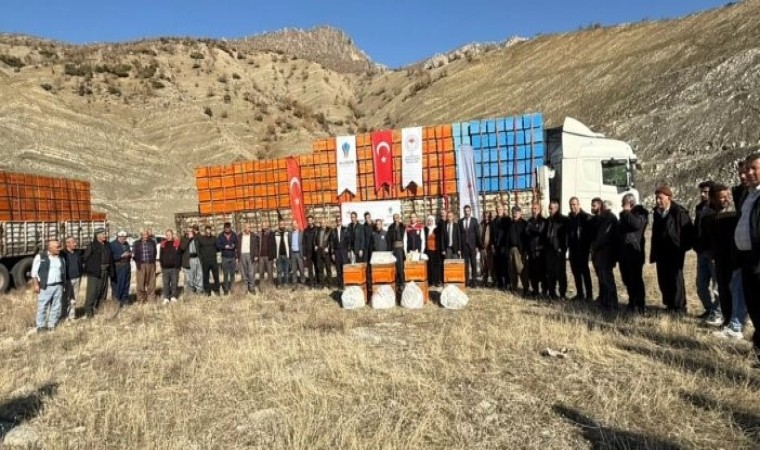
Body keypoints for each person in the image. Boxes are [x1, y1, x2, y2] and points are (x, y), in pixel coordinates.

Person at [716, 162, 749, 340]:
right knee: (735, 286)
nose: (743, 176)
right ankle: (736, 324)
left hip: (751, 252)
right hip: (739, 251)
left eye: (747, 171)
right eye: (740, 173)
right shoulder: (740, 194)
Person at [650, 186, 694, 313]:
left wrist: (681, 248)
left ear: (669, 198)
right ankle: (669, 305)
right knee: (663, 279)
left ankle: (679, 308)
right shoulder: (657, 213)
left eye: (660, 198)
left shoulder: (679, 212)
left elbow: (688, 232)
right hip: (661, 252)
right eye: (656, 198)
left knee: (675, 279)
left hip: (675, 251)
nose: (658, 201)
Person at [735, 153, 760, 366]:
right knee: (754, 308)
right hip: (748, 259)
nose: (749, 173)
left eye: (754, 168)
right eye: (747, 169)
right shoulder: (749, 195)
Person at [704, 183, 735, 329]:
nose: (725, 199)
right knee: (722, 289)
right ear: (714, 199)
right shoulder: (709, 216)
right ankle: (727, 319)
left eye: (727, 196)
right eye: (721, 197)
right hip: (719, 258)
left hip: (734, 257)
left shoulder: (734, 212)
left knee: (734, 289)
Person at [694, 180, 721, 321]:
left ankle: (718, 313)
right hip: (701, 252)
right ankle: (710, 310)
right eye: (701, 192)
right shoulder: (699, 208)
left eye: (706, 192)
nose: (703, 195)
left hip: (713, 252)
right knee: (700, 286)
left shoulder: (718, 207)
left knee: (717, 286)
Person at [618, 194, 648, 313]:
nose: (622, 206)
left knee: (636, 279)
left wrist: (626, 212)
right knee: (627, 279)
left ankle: (640, 305)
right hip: (624, 252)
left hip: (635, 251)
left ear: (630, 203)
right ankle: (632, 302)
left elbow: (636, 225)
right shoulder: (625, 215)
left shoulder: (641, 213)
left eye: (623, 203)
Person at [32, 239, 66, 332]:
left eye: (59, 247)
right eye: (57, 247)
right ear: (50, 248)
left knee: (56, 306)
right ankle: (41, 326)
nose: (59, 249)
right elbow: (34, 273)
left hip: (58, 285)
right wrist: (36, 285)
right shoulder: (40, 257)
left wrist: (63, 284)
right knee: (42, 306)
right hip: (45, 286)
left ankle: (52, 325)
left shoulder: (61, 258)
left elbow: (63, 272)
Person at [592, 200, 620, 310]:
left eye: (602, 207)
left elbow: (604, 237)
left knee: (608, 280)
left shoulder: (610, 219)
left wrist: (596, 246)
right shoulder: (604, 219)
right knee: (603, 280)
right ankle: (605, 302)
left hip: (607, 254)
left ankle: (612, 304)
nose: (601, 209)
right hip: (602, 254)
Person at [567, 197, 593, 301]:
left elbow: (590, 235)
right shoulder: (570, 218)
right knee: (576, 273)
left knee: (585, 272)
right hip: (573, 249)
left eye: (574, 204)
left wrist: (589, 248)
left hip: (583, 249)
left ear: (579, 204)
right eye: (571, 205)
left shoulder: (585, 217)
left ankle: (589, 295)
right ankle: (580, 294)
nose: (572, 206)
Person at [83, 228, 113, 317]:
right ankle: (89, 311)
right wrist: (92, 269)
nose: (105, 235)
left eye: (105, 234)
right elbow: (85, 259)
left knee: (103, 291)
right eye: (103, 234)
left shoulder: (107, 245)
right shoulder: (92, 246)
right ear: (97, 235)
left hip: (105, 271)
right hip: (95, 273)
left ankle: (99, 309)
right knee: (92, 292)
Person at [545, 199, 568, 300]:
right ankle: (552, 293)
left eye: (552, 209)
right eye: (549, 208)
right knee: (550, 272)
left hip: (558, 250)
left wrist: (562, 248)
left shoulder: (563, 220)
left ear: (557, 209)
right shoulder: (547, 220)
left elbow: (565, 237)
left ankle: (562, 294)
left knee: (560, 273)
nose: (550, 210)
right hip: (549, 250)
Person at [524, 202, 547, 298]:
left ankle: (544, 291)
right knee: (532, 272)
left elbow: (539, 231)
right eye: (533, 208)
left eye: (536, 208)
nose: (534, 210)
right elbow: (526, 233)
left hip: (540, 251)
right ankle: (535, 290)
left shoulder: (543, 221)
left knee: (542, 272)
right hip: (531, 250)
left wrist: (531, 229)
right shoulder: (529, 221)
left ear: (540, 209)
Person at [507, 206, 529, 296]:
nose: (514, 214)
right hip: (511, 250)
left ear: (520, 213)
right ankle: (514, 288)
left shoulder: (524, 224)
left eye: (516, 213)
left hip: (520, 251)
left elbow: (527, 239)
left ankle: (525, 288)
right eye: (513, 213)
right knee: (512, 270)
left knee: (521, 270)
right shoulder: (510, 224)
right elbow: (507, 238)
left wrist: (525, 251)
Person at [61, 236, 83, 321]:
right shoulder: (63, 254)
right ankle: (65, 316)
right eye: (74, 242)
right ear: (67, 244)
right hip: (67, 279)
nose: (76, 244)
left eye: (75, 242)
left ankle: (72, 316)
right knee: (66, 298)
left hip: (77, 278)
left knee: (74, 298)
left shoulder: (77, 252)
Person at [133, 230, 157, 303]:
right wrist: (138, 262)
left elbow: (155, 253)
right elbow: (134, 254)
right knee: (140, 282)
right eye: (143, 235)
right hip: (141, 264)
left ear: (148, 235)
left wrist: (153, 261)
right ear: (141, 235)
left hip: (151, 264)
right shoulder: (136, 243)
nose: (145, 236)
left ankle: (151, 298)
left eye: (146, 234)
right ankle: (141, 299)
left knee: (151, 282)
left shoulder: (152, 242)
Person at [109, 230, 132, 307]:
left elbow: (129, 251)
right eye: (122, 237)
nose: (123, 239)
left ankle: (125, 300)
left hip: (127, 266)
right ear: (118, 237)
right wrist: (121, 256)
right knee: (118, 285)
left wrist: (130, 254)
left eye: (125, 237)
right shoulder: (112, 244)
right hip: (118, 267)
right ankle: (117, 301)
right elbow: (110, 257)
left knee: (126, 284)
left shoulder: (126, 244)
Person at [459, 205, 480, 288]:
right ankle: (467, 281)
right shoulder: (460, 221)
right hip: (464, 246)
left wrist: (477, 246)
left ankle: (474, 282)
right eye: (465, 211)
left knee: (474, 264)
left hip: (473, 246)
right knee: (466, 265)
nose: (466, 212)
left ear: (470, 211)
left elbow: (477, 234)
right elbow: (459, 235)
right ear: (463, 211)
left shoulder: (474, 220)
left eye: (468, 211)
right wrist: (460, 248)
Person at [180, 225, 204, 296]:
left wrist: (196, 233)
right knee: (191, 275)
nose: (190, 232)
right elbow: (182, 248)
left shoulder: (196, 237)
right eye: (188, 231)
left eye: (191, 231)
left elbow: (201, 240)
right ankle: (191, 289)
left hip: (197, 258)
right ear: (186, 232)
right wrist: (189, 239)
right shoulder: (184, 238)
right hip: (190, 259)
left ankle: (199, 289)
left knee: (199, 274)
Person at [197, 225, 220, 296]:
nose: (208, 231)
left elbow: (218, 248)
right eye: (206, 230)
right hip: (205, 261)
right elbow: (198, 249)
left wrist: (213, 252)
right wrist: (201, 257)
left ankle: (216, 290)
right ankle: (207, 291)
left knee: (216, 276)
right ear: (205, 231)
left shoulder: (214, 238)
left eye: (209, 230)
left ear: (210, 230)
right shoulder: (201, 239)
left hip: (213, 260)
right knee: (206, 276)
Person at [236, 223, 260, 294]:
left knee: (251, 272)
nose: (249, 229)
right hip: (242, 255)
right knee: (243, 273)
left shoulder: (253, 236)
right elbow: (237, 247)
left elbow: (256, 246)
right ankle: (245, 288)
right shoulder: (239, 236)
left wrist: (256, 255)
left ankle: (252, 288)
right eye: (247, 227)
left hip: (250, 255)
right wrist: (237, 257)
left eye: (250, 227)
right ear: (244, 228)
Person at [159, 229, 181, 304]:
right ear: (166, 236)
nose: (168, 236)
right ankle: (166, 297)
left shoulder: (177, 243)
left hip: (174, 268)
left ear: (172, 235)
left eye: (170, 235)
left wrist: (178, 265)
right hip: (165, 268)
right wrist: (162, 265)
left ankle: (173, 297)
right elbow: (161, 255)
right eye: (167, 235)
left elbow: (179, 255)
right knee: (166, 283)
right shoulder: (163, 244)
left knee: (174, 282)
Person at [216, 222, 238, 295]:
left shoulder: (234, 235)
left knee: (232, 274)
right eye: (226, 228)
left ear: (230, 228)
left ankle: (232, 288)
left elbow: (237, 243)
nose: (228, 229)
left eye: (229, 228)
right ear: (224, 228)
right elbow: (218, 245)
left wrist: (234, 245)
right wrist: (224, 246)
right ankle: (226, 289)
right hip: (225, 257)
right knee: (225, 274)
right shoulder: (220, 236)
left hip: (232, 257)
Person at [492, 204, 511, 290]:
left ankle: (507, 283)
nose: (498, 210)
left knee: (505, 266)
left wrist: (506, 246)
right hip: (496, 246)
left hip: (504, 246)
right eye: (497, 209)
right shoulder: (494, 221)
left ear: (503, 209)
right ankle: (500, 283)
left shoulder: (507, 220)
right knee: (497, 266)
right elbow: (492, 234)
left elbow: (508, 234)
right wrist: (493, 245)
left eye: (500, 209)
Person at [330, 216, 350, 290]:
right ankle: (340, 285)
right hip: (336, 251)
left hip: (344, 251)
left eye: (339, 220)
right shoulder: (333, 231)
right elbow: (331, 242)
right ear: (336, 222)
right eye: (337, 220)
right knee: (338, 269)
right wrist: (332, 253)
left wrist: (348, 251)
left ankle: (346, 283)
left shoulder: (346, 229)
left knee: (344, 268)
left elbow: (348, 241)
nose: (338, 221)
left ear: (341, 221)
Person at [387, 213, 406, 290]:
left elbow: (405, 238)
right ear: (393, 219)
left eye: (397, 217)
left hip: (401, 248)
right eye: (394, 218)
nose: (396, 219)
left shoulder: (403, 226)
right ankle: (396, 283)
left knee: (400, 266)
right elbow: (389, 239)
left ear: (399, 218)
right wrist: (390, 250)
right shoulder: (391, 227)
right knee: (394, 266)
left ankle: (402, 282)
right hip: (394, 248)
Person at [424, 215, 442, 286]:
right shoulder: (425, 229)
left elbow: (439, 239)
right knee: (429, 266)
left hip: (435, 250)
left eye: (431, 221)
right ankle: (430, 281)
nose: (430, 222)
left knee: (436, 266)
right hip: (428, 250)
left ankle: (436, 281)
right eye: (428, 221)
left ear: (433, 221)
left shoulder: (437, 229)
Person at [273, 219, 292, 288]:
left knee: (286, 271)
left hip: (286, 255)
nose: (282, 225)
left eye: (283, 224)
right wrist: (275, 256)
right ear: (278, 225)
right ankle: (279, 284)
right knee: (279, 271)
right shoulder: (275, 233)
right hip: (279, 255)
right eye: (280, 224)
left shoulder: (288, 232)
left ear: (285, 224)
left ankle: (286, 283)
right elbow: (274, 245)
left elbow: (290, 243)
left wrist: (290, 255)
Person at [315, 218, 332, 289]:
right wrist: (315, 245)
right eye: (322, 223)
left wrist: (328, 247)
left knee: (328, 269)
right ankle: (322, 284)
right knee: (320, 269)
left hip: (326, 251)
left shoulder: (329, 230)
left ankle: (329, 284)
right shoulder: (317, 230)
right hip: (319, 251)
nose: (323, 224)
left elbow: (331, 241)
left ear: (326, 223)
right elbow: (314, 239)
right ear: (320, 224)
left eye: (324, 222)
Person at [258, 221, 275, 289]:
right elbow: (257, 244)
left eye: (265, 225)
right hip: (261, 256)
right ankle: (261, 286)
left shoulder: (271, 234)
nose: (264, 227)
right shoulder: (259, 234)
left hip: (268, 256)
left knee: (270, 272)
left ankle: (270, 286)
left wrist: (273, 256)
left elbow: (274, 245)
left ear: (268, 226)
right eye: (263, 226)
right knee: (261, 272)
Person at [288, 219, 305, 286]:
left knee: (301, 268)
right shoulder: (290, 234)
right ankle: (294, 282)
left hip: (299, 253)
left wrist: (304, 254)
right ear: (291, 225)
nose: (294, 225)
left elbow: (303, 244)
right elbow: (289, 244)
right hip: (292, 253)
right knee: (294, 269)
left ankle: (303, 281)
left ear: (297, 224)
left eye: (295, 223)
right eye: (293, 224)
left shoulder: (301, 233)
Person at [480, 212, 495, 287]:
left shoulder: (492, 225)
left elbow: (493, 236)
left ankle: (493, 281)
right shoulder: (481, 225)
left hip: (489, 248)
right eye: (485, 216)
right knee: (483, 266)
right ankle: (484, 281)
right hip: (482, 248)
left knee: (491, 266)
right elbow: (478, 235)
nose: (486, 218)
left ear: (490, 217)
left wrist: (492, 245)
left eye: (487, 216)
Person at [303, 216, 318, 288]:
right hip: (308, 253)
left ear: (313, 220)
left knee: (317, 268)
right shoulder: (305, 230)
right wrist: (304, 254)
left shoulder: (317, 229)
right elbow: (304, 242)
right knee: (310, 269)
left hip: (315, 252)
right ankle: (311, 283)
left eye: (310, 220)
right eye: (308, 220)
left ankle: (317, 283)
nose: (309, 222)